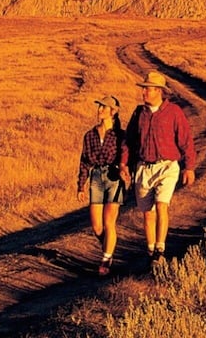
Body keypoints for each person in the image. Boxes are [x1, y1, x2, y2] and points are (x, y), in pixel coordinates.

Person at [126, 71, 195, 260]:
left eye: (147, 90)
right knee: (148, 214)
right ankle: (151, 252)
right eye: (144, 90)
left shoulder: (174, 112)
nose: (144, 93)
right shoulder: (139, 113)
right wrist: (125, 166)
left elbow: (185, 140)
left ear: (158, 91)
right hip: (143, 168)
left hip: (167, 166)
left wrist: (189, 167)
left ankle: (160, 249)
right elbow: (129, 142)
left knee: (161, 205)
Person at [76, 96, 130, 276]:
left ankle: (106, 260)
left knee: (109, 222)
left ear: (113, 112)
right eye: (99, 106)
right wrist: (80, 186)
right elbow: (84, 161)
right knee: (97, 227)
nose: (100, 110)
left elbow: (125, 155)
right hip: (96, 177)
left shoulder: (120, 135)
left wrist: (124, 170)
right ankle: (110, 247)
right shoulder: (89, 135)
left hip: (114, 177)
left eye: (104, 107)